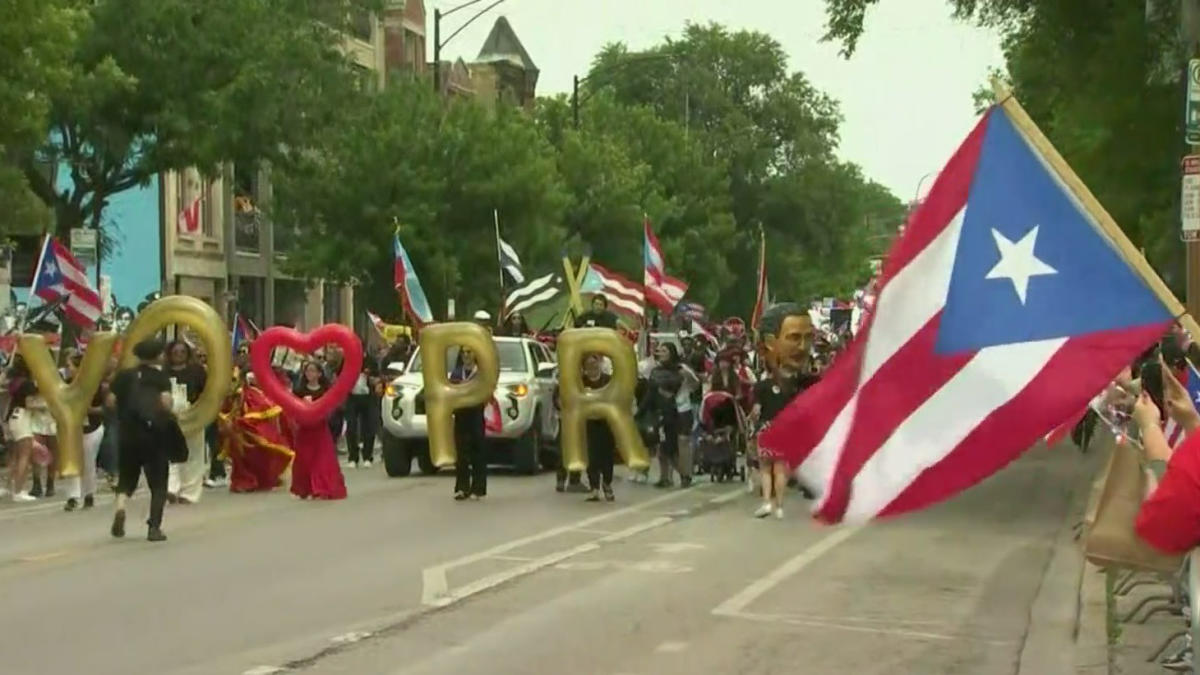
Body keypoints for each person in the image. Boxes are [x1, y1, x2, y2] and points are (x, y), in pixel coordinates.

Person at [750, 302, 818, 519]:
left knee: (777, 468)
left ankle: (775, 503)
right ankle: (772, 502)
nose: (803, 346)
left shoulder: (814, 384)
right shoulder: (761, 385)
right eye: (794, 337)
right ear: (770, 343)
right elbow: (754, 412)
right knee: (771, 468)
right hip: (772, 432)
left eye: (808, 338)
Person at [109, 338, 180, 542]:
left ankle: (121, 507)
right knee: (158, 484)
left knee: (126, 477)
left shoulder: (123, 376)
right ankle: (154, 527)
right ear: (157, 355)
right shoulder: (160, 378)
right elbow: (166, 403)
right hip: (154, 435)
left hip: (127, 434)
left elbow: (111, 401)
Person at [219, 370, 294, 493]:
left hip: (253, 430)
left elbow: (265, 411)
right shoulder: (234, 395)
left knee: (260, 454)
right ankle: (244, 480)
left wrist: (241, 422)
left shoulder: (257, 393)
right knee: (241, 456)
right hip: (238, 431)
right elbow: (227, 411)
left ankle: (260, 478)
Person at [640, 342, 699, 488]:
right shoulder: (655, 370)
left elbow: (696, 384)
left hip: (682, 411)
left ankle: (685, 475)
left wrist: (687, 377)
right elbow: (650, 387)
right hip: (664, 411)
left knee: (681, 444)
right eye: (659, 350)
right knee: (663, 444)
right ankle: (665, 477)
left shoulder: (682, 368)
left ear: (671, 352)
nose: (661, 352)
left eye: (664, 350)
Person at [289, 361, 347, 500]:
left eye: (313, 371)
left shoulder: (325, 390)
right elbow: (293, 407)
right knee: (304, 460)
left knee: (322, 460)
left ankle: (321, 488)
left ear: (320, 374)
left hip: (320, 429)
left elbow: (333, 406)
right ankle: (305, 488)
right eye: (308, 371)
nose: (310, 374)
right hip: (304, 430)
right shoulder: (299, 390)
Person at [62, 352, 108, 511]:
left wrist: (89, 410)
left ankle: (89, 493)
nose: (67, 369)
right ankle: (73, 497)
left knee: (88, 462)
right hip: (72, 430)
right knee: (72, 462)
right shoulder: (65, 384)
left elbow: (105, 408)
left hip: (92, 428)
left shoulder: (95, 385)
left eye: (69, 366)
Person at [164, 339, 208, 504]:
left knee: (194, 455)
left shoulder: (197, 371)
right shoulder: (164, 372)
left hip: (193, 414)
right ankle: (171, 488)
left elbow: (205, 392)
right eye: (175, 352)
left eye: (182, 352)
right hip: (170, 416)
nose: (179, 355)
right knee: (170, 453)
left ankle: (189, 493)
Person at [452, 347, 487, 500]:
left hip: (476, 414)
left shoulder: (480, 373)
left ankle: (478, 488)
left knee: (477, 452)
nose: (466, 355)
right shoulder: (456, 373)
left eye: (469, 352)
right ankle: (461, 487)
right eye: (464, 352)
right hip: (460, 415)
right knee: (461, 453)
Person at [582, 355, 616, 502]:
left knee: (607, 456)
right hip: (588, 422)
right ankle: (594, 487)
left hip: (606, 422)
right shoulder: (580, 382)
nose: (592, 368)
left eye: (594, 364)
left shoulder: (608, 380)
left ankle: (607, 483)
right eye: (588, 365)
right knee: (591, 456)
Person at [4, 355, 37, 501]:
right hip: (23, 417)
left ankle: (7, 487)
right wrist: (45, 405)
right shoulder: (28, 384)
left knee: (14, 456)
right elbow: (30, 404)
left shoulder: (14, 382)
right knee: (24, 455)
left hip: (12, 417)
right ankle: (19, 490)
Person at [344, 337, 381, 469]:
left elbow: (378, 378)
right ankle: (353, 457)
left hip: (368, 397)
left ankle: (367, 456)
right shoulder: (347, 360)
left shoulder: (370, 361)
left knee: (369, 427)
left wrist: (373, 380)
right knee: (351, 427)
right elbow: (338, 376)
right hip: (352, 397)